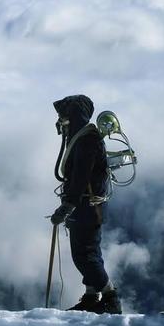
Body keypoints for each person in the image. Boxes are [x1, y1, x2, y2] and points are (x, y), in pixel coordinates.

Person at [49, 94, 121, 314]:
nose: (61, 120)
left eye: (63, 115)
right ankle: (92, 297)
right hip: (88, 207)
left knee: (84, 255)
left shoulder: (86, 139)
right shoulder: (84, 137)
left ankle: (110, 297)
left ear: (73, 115)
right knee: (90, 252)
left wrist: (68, 205)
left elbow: (81, 175)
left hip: (86, 207)